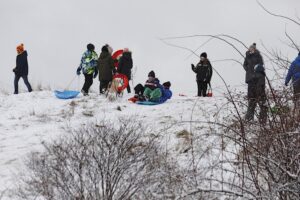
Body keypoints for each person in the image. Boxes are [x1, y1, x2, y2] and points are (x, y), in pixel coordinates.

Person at [243, 43, 267, 122]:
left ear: (255, 49)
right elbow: (244, 65)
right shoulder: (247, 56)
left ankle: (262, 119)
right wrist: (248, 69)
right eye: (250, 48)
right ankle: (249, 118)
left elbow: (261, 64)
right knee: (251, 99)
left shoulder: (258, 55)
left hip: (258, 77)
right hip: (250, 78)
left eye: (253, 48)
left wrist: (256, 69)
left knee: (261, 99)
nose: (251, 49)